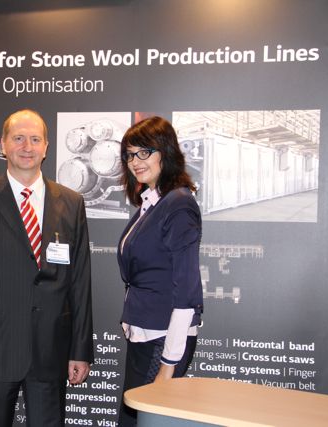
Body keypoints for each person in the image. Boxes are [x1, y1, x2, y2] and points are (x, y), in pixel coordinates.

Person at [0, 109, 94, 427]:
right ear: (3, 145)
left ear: (46, 147)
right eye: (18, 138)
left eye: (35, 139)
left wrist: (80, 350)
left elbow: (80, 283)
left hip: (50, 353)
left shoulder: (71, 203)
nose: (27, 147)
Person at [116, 116, 203, 426]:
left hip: (163, 340)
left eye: (144, 152)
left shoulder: (178, 204)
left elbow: (187, 291)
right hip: (145, 335)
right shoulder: (153, 201)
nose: (135, 161)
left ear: (165, 151)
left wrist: (169, 362)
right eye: (130, 154)